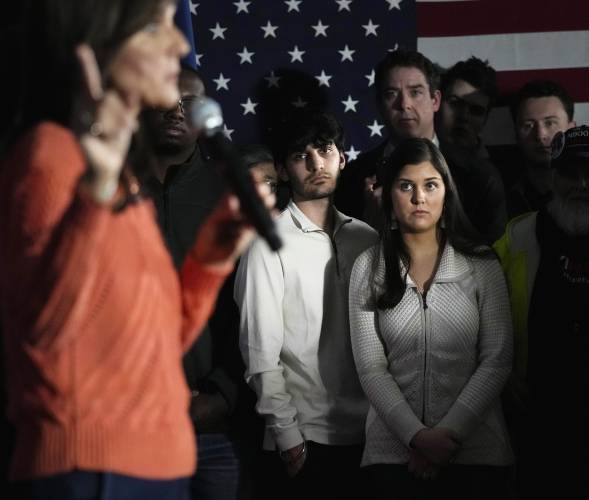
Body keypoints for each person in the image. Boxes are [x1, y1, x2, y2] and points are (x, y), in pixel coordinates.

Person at [0, 1, 272, 498]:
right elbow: (50, 333)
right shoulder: (49, 158)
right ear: (98, 42)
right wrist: (96, 194)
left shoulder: (123, 177)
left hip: (156, 463)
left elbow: (156, 341)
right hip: (94, 466)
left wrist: (211, 256)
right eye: (155, 25)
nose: (180, 44)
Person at [349, 138, 513, 500]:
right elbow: (370, 367)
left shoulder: (482, 263)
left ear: (446, 192)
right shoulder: (368, 266)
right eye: (406, 185)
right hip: (392, 457)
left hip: (477, 455)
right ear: (390, 194)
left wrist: (447, 437)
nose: (419, 197)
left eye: (430, 185)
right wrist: (417, 438)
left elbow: (497, 360)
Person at [235, 111, 377, 499]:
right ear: (282, 170)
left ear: (342, 158)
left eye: (325, 150)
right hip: (304, 441)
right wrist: (287, 437)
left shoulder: (367, 237)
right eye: (301, 156)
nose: (316, 163)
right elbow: (259, 352)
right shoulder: (267, 245)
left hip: (372, 435)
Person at [142, 66, 242, 500]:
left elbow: (253, 306)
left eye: (191, 102)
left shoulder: (233, 192)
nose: (177, 111)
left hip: (214, 422)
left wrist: (224, 392)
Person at [494, 125, 589, 498]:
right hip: (536, 419)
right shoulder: (518, 237)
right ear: (552, 176)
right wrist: (502, 372)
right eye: (569, 173)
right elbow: (479, 313)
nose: (581, 184)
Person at [335, 49, 441, 229]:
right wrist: (368, 225)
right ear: (379, 105)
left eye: (415, 92)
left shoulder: (474, 174)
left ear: (435, 100)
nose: (404, 104)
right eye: (391, 94)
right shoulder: (353, 176)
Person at [436, 57, 507, 243]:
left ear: (486, 119)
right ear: (437, 102)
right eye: (455, 103)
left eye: (476, 110)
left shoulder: (492, 180)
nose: (463, 117)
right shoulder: (409, 158)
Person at [507, 80, 576, 217]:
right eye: (529, 125)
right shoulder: (504, 197)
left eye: (550, 123)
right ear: (516, 134)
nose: (540, 135)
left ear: (572, 130)